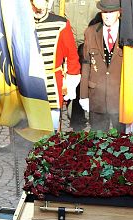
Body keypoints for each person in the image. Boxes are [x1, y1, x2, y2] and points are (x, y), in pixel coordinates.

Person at [31, 0, 82, 129]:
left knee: (53, 127)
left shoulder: (61, 24)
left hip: (53, 83)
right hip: (30, 84)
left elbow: (72, 55)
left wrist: (71, 82)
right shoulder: (22, 23)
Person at [51, 0, 101, 128]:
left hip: (93, 44)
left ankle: (97, 120)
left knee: (93, 83)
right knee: (72, 84)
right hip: (69, 45)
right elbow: (56, 15)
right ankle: (76, 120)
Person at [79, 0, 124, 131]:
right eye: (105, 12)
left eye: (111, 12)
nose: (107, 15)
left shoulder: (127, 33)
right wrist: (83, 95)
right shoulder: (91, 32)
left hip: (120, 97)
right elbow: (86, 64)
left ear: (119, 12)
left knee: (123, 138)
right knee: (97, 138)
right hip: (97, 97)